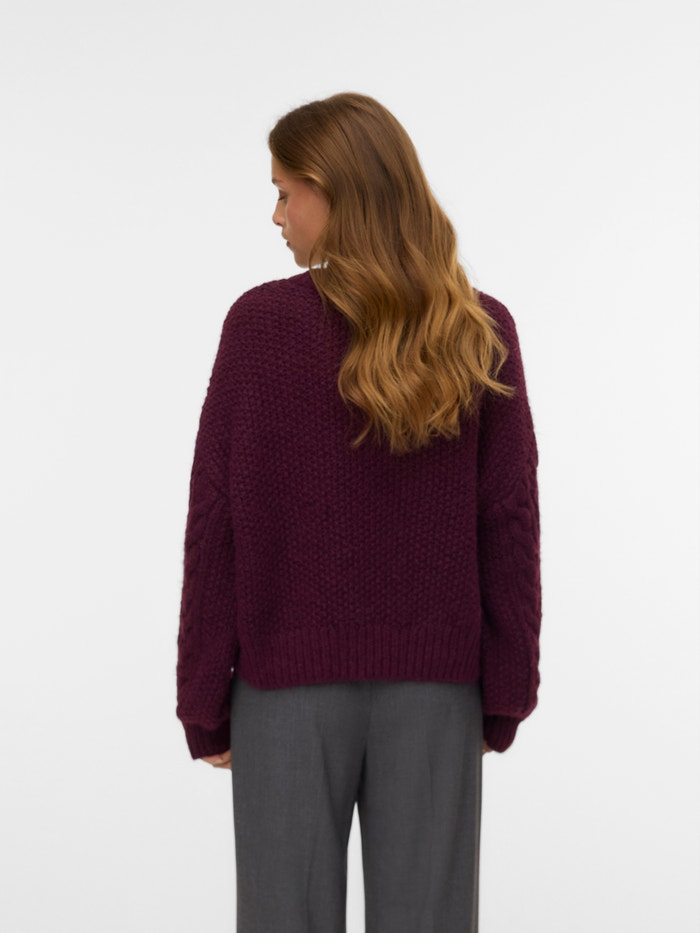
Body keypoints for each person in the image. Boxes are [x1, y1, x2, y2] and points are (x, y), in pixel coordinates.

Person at [176, 92, 542, 933]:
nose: (276, 216)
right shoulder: (477, 327)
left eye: (285, 193)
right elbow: (509, 521)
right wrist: (506, 688)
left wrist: (203, 697)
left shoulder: (259, 326)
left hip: (283, 693)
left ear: (335, 192)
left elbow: (214, 523)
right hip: (436, 691)